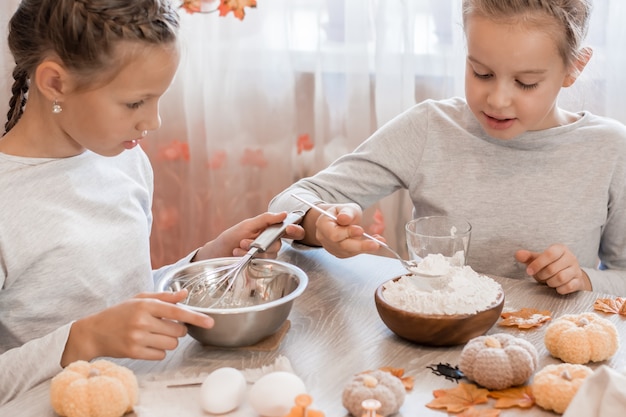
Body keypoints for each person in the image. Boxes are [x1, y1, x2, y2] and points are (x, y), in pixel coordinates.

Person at [0, 0, 304, 405]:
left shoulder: (126, 160)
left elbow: (123, 296)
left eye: (158, 99)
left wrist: (201, 262)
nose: (154, 122)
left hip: (146, 396)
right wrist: (82, 339)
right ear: (55, 83)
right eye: (134, 103)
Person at [270, 0, 626, 296]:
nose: (498, 100)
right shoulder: (430, 128)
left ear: (573, 68)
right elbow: (290, 202)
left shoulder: (609, 148)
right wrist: (322, 226)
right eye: (481, 73)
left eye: (526, 82)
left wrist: (584, 278)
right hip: (432, 349)